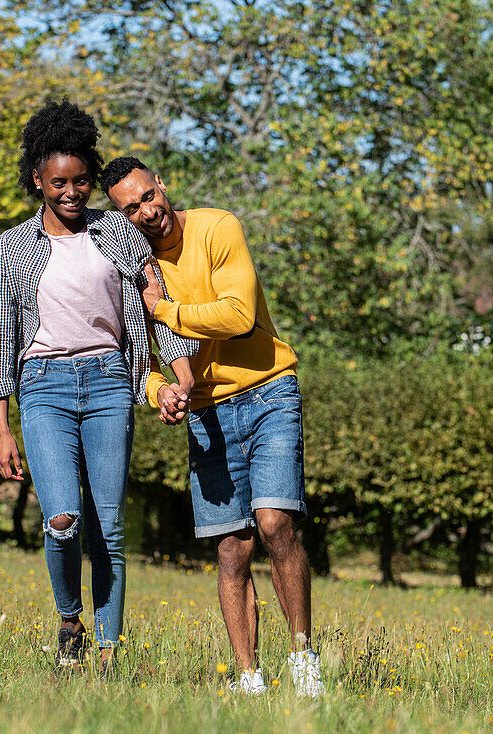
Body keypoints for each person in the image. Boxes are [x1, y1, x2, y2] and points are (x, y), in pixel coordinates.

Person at [100, 157, 325, 697]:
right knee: (231, 549)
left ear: (163, 185)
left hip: (268, 388)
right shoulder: (134, 269)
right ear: (120, 215)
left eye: (148, 196)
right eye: (131, 208)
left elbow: (237, 314)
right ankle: (250, 677)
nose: (147, 212)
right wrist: (161, 392)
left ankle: (302, 657)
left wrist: (167, 310)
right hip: (206, 411)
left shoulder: (216, 227)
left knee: (275, 524)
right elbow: (135, 354)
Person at [0, 103, 197, 672]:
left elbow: (154, 317)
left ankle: (108, 653)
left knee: (109, 527)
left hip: (108, 386)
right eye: (60, 183)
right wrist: (2, 430)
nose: (74, 193)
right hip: (43, 389)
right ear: (38, 180)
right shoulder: (10, 249)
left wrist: (180, 378)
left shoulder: (119, 235)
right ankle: (69, 621)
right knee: (63, 520)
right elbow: (0, 343)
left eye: (81, 181)